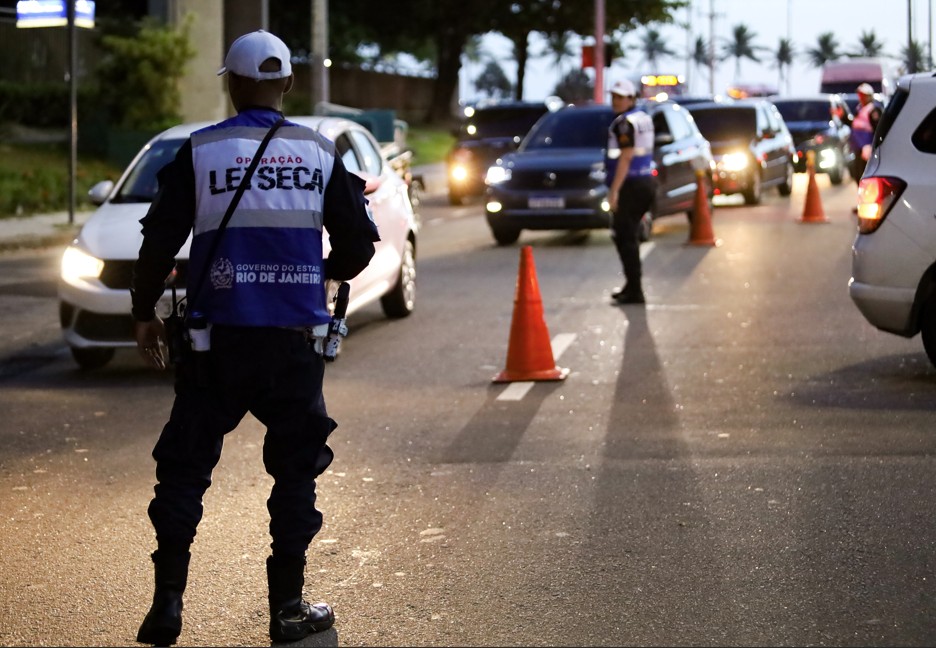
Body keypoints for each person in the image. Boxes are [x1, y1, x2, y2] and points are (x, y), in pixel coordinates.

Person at [130, 30, 379, 646]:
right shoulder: (319, 152)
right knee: (295, 473)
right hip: (293, 344)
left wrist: (143, 313)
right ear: (288, 83)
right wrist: (319, 273)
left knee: (185, 468)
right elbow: (357, 245)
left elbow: (158, 242)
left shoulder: (201, 150)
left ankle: (166, 605)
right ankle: (288, 609)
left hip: (215, 344)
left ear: (234, 85)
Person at [606, 79, 657, 305]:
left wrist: (614, 191)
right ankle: (631, 285)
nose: (615, 101)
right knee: (627, 235)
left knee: (625, 236)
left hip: (631, 184)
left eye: (620, 97)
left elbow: (626, 157)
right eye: (613, 97)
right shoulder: (642, 118)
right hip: (645, 181)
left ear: (631, 98)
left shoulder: (625, 123)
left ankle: (635, 289)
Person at [849, 82, 883, 186]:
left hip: (867, 148)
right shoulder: (859, 108)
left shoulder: (874, 109)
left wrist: (871, 145)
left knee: (866, 174)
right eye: (860, 95)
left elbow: (878, 129)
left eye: (863, 95)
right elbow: (855, 124)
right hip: (858, 146)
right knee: (857, 173)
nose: (861, 98)